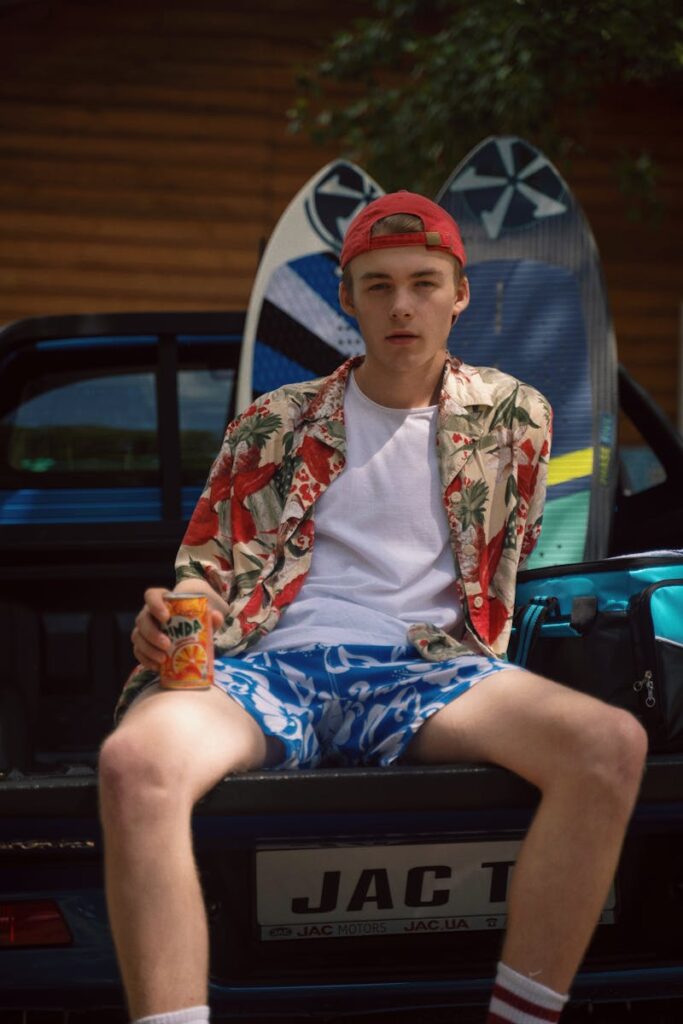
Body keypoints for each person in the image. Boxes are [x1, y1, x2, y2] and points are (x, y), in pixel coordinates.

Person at [98, 192, 647, 1024]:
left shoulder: (514, 419)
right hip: (269, 666)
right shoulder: (272, 424)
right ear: (347, 297)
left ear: (459, 293)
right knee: (134, 764)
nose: (401, 304)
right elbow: (204, 575)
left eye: (424, 282)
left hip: (425, 670)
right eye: (377, 284)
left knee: (609, 744)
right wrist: (175, 616)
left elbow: (511, 557)